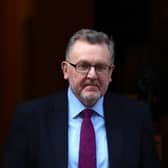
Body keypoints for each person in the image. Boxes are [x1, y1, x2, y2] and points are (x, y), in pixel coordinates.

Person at [2, 29, 160, 168]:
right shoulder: (31, 117)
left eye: (100, 67)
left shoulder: (136, 117)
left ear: (110, 73)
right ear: (65, 70)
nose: (92, 75)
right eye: (83, 66)